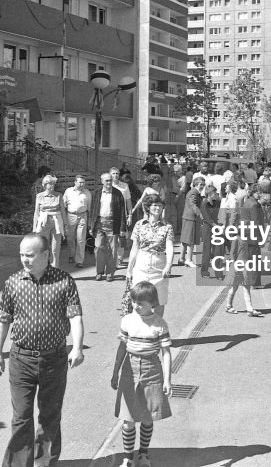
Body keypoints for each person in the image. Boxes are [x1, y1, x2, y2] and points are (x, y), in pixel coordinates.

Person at [0, 234, 84, 467]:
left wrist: (78, 347)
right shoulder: (13, 282)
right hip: (21, 359)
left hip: (54, 359)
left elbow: (75, 317)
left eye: (30, 255)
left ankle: (45, 462)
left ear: (45, 255)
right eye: (22, 255)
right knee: (21, 417)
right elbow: (3, 320)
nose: (25, 260)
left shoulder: (64, 281)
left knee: (50, 415)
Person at [111, 281, 173, 467]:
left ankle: (143, 455)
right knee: (128, 420)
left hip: (151, 370)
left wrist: (167, 379)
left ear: (152, 303)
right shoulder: (128, 320)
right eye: (134, 301)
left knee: (147, 417)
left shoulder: (159, 324)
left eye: (141, 303)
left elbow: (166, 353)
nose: (136, 306)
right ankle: (128, 457)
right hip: (129, 370)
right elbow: (122, 347)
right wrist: (115, 372)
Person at [125, 195, 175, 317]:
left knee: (159, 300)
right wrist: (129, 270)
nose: (157, 208)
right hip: (142, 262)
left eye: (160, 205)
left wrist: (168, 265)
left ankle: (157, 330)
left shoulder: (167, 226)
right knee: (138, 299)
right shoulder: (139, 225)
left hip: (159, 264)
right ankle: (139, 330)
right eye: (154, 205)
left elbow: (169, 247)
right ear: (148, 207)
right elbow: (134, 248)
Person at [89, 173, 126, 282]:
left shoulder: (118, 194)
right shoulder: (96, 193)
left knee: (113, 249)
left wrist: (122, 228)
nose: (109, 183)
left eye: (110, 180)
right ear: (102, 181)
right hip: (99, 222)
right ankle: (99, 272)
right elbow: (93, 210)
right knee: (99, 247)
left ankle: (110, 273)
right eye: (107, 181)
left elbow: (122, 212)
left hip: (113, 223)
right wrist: (91, 226)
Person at [33, 174, 66, 269]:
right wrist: (35, 227)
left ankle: (55, 268)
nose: (52, 186)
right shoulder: (39, 196)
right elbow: (36, 212)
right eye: (49, 184)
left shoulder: (59, 195)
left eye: (53, 184)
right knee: (44, 247)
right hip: (44, 222)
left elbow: (63, 211)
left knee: (55, 248)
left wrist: (65, 224)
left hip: (57, 222)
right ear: (44, 185)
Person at [63, 175, 91, 268]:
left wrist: (90, 220)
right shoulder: (68, 191)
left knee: (81, 239)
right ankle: (71, 254)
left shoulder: (87, 193)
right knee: (70, 237)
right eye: (80, 182)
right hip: (71, 215)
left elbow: (89, 207)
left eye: (83, 182)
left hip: (83, 216)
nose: (82, 184)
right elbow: (64, 204)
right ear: (75, 182)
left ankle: (79, 261)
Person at [179, 176, 205, 268]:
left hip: (187, 217)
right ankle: (188, 260)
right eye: (200, 184)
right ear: (195, 184)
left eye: (203, 184)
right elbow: (193, 204)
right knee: (190, 240)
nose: (202, 186)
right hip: (191, 218)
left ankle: (181, 258)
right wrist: (200, 215)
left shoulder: (193, 192)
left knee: (185, 239)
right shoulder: (194, 192)